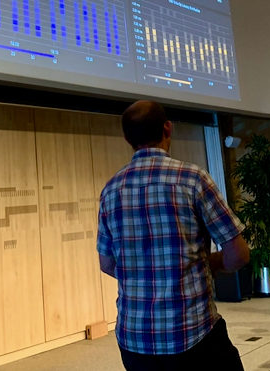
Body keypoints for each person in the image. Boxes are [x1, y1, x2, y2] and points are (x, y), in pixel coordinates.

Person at [97, 100, 250, 371]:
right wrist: (207, 263)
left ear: (127, 139)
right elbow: (238, 255)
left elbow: (107, 264)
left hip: (134, 342)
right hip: (194, 337)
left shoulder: (111, 190)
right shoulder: (193, 180)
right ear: (168, 128)